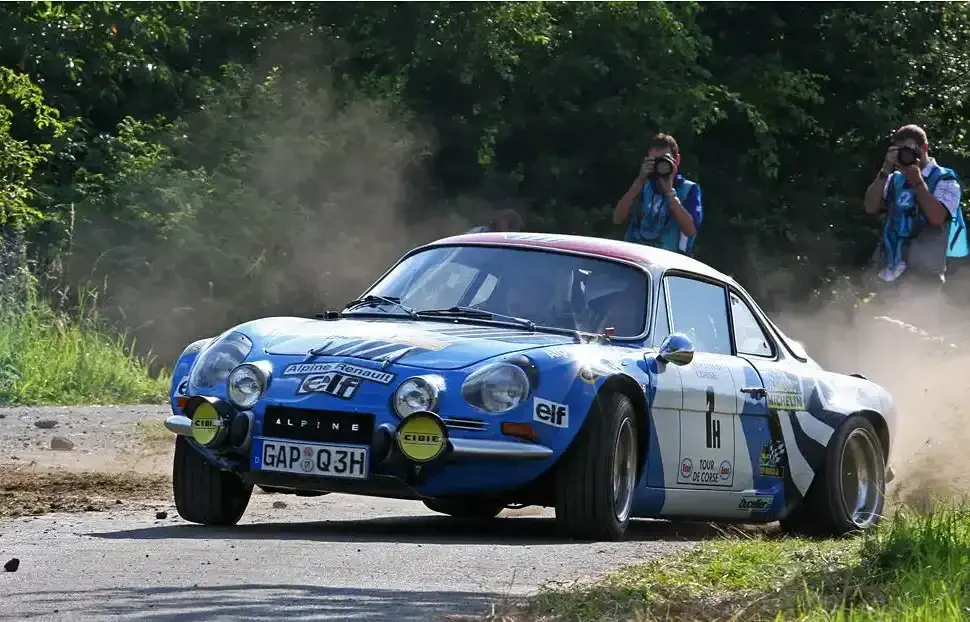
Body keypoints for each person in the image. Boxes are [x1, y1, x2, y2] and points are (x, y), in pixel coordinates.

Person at [862, 124, 967, 290]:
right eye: (899, 150)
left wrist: (917, 182)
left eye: (910, 149)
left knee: (914, 316)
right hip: (886, 273)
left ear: (924, 148)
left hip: (923, 278)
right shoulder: (894, 179)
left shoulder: (945, 180)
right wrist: (884, 171)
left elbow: (937, 218)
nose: (905, 154)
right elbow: (870, 207)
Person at [613, 133, 703, 256]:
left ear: (676, 160)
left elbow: (691, 230)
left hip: (669, 261)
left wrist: (670, 194)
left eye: (664, 160)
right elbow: (617, 218)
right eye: (655, 160)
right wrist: (639, 182)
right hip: (635, 256)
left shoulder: (689, 189)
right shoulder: (642, 185)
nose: (660, 165)